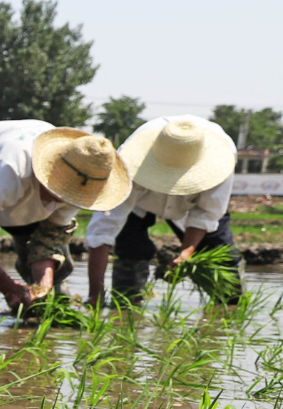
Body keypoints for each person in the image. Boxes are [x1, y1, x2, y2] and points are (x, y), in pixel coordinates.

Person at [0, 121, 129, 316]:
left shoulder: (84, 183)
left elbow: (47, 242)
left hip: (14, 186)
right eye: (61, 190)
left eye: (70, 194)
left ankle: (37, 324)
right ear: (51, 171)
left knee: (56, 286)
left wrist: (42, 287)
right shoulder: (12, 169)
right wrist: (7, 286)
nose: (60, 200)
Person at [84, 115, 240, 306]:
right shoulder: (129, 162)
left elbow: (207, 213)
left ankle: (228, 310)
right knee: (130, 253)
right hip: (140, 203)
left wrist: (185, 254)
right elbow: (104, 228)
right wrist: (95, 292)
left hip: (190, 204)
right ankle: (125, 309)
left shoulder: (221, 159)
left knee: (226, 267)